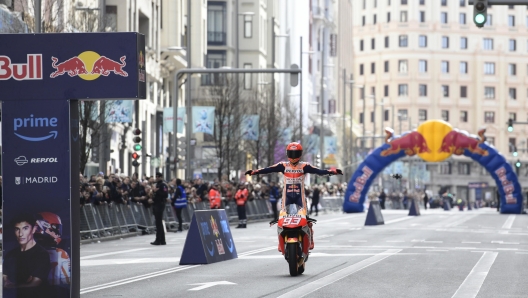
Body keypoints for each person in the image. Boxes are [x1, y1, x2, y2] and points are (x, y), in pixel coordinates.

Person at [245, 142, 342, 250]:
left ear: (300, 154)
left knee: (306, 218)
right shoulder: (283, 165)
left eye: (296, 153)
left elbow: (319, 171)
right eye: (291, 153)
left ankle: (311, 239)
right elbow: (269, 169)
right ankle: (280, 241)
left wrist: (332, 171)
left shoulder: (305, 166)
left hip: (300, 196)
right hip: (287, 196)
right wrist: (254, 172)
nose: (294, 156)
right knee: (282, 218)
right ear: (287, 153)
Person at [3, 213, 51, 298]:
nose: (20, 234)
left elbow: (35, 283)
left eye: (25, 228)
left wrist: (12, 285)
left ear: (33, 229)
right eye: (17, 229)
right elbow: (4, 281)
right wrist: (25, 283)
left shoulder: (42, 254)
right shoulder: (10, 255)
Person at [149, 172, 169, 245]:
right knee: (158, 223)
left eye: (158, 176)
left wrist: (157, 191)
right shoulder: (157, 185)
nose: (157, 178)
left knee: (158, 223)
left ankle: (158, 240)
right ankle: (162, 240)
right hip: (156, 203)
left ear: (161, 177)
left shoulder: (163, 185)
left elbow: (165, 195)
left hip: (160, 204)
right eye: (156, 176)